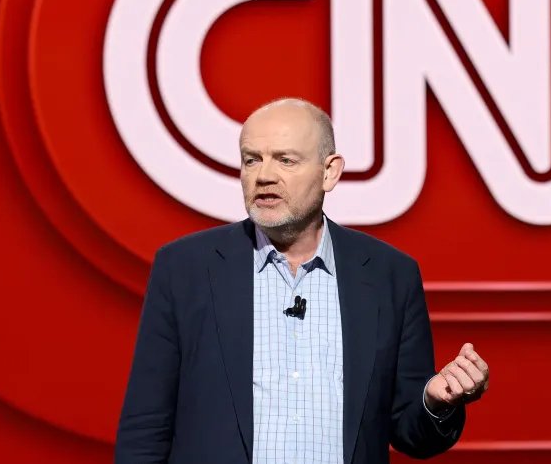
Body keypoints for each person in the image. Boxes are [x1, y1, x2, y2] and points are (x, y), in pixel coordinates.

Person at [115, 98, 489, 464]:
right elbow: (146, 427)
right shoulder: (185, 269)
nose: (263, 176)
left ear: (330, 172)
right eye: (251, 160)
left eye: (285, 160)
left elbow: (411, 432)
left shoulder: (390, 276)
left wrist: (435, 402)